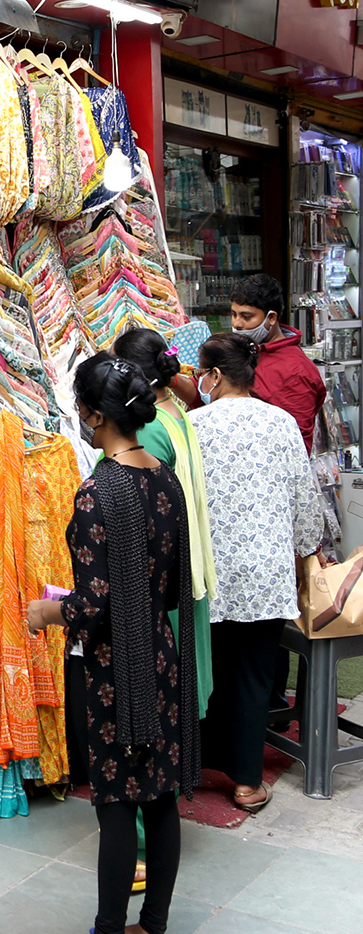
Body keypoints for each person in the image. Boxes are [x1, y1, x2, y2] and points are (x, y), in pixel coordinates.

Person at [27, 352, 199, 934]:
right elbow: (173, 588)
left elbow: (92, 605)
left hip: (112, 670)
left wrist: (48, 611)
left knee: (117, 803)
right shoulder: (165, 480)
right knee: (159, 797)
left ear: (94, 417)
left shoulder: (99, 492)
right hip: (160, 656)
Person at [190, 331, 323, 812]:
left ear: (215, 375)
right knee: (253, 675)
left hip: (210, 572)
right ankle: (247, 782)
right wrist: (307, 554)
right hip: (265, 573)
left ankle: (196, 765)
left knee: (208, 668)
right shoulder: (281, 423)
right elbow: (304, 500)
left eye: (201, 372)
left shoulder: (193, 425)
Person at [112, 327, 217, 892]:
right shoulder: (175, 411)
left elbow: (137, 519)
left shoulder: (148, 431)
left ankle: (143, 849)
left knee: (147, 712)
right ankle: (158, 828)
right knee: (171, 708)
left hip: (159, 589)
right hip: (186, 577)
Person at [229, 273, 326, 451]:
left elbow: (295, 442)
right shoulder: (242, 350)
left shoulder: (296, 372)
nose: (237, 324)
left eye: (246, 317)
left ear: (271, 318)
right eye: (233, 314)